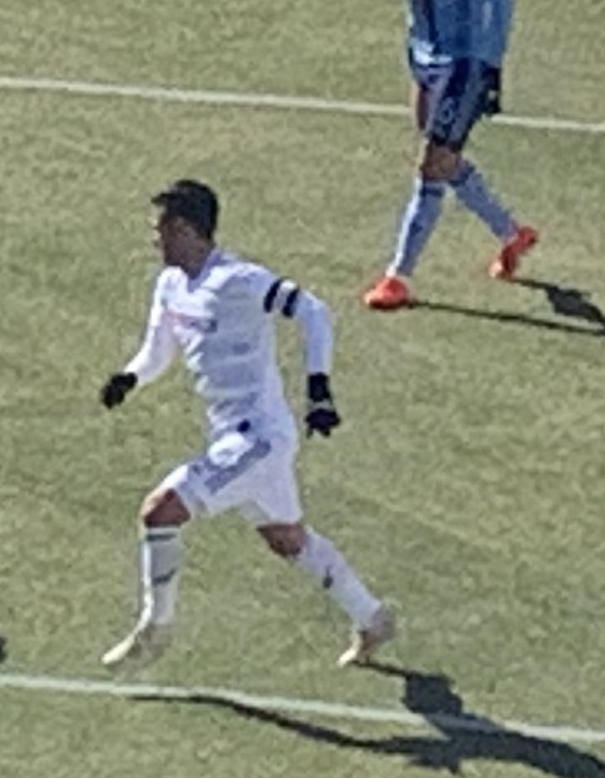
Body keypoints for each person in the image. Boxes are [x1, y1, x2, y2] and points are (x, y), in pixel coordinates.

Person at [97, 178, 397, 672]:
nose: (156, 239)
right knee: (288, 540)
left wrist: (319, 389)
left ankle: (156, 627)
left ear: (189, 229)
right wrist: (129, 377)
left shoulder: (239, 280)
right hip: (232, 437)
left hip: (258, 438)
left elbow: (313, 312)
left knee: (160, 511)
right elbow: (158, 350)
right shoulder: (171, 285)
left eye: (163, 229)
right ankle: (372, 617)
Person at [363, 0, 539, 311]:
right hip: (424, 54)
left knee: (430, 163)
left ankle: (397, 277)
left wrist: (490, 62)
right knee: (443, 158)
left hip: (463, 63)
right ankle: (512, 233)